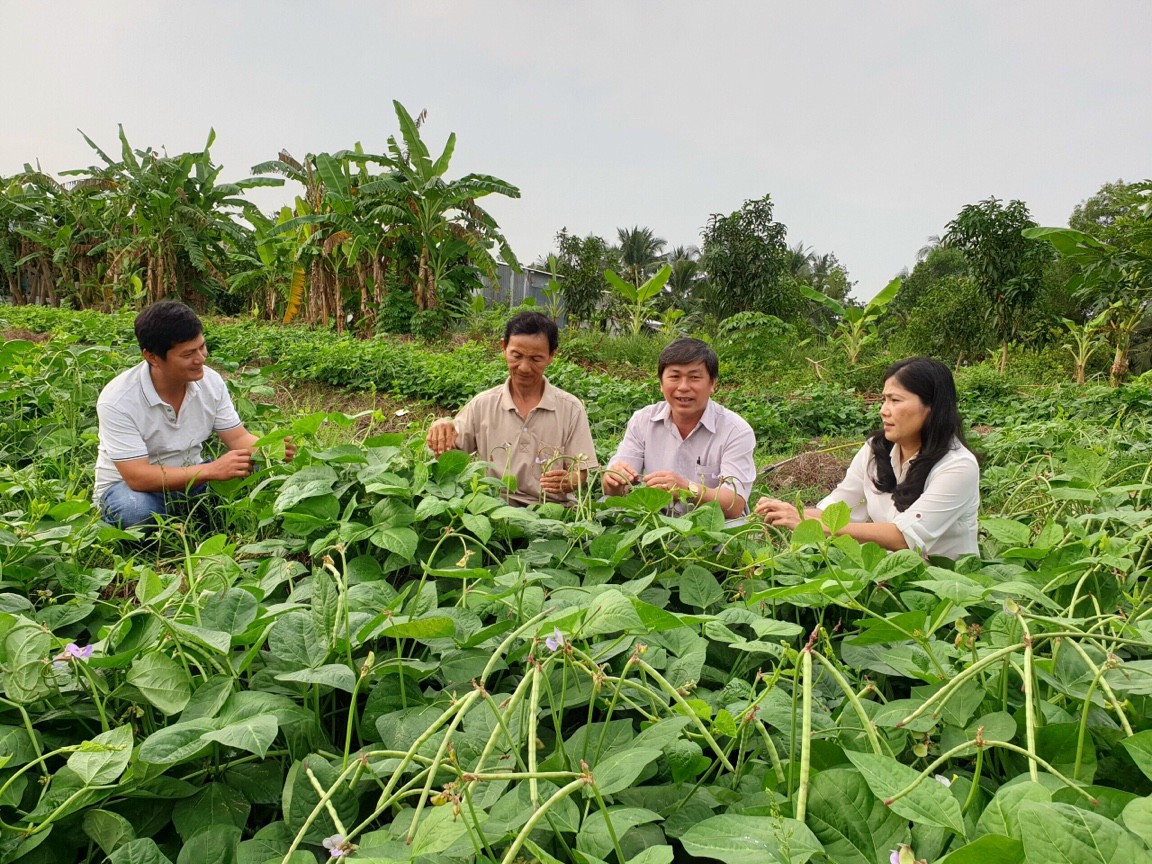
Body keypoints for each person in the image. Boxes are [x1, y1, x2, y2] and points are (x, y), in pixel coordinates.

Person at [94, 301, 295, 528]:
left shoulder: (210, 382)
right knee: (136, 513)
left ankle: (186, 516)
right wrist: (211, 470)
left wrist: (272, 449)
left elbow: (238, 439)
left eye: (202, 347)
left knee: (258, 468)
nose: (201, 358)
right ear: (152, 357)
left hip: (195, 479)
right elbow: (137, 477)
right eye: (188, 353)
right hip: (134, 490)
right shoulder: (118, 400)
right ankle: (188, 517)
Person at [756, 357, 979, 558]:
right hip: (888, 577)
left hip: (945, 586)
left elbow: (904, 538)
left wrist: (806, 522)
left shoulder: (958, 466)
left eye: (895, 400)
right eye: (884, 399)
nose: (883, 410)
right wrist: (788, 512)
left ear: (931, 408)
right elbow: (839, 509)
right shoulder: (876, 450)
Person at [425, 311, 597, 506]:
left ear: (551, 356)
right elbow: (450, 459)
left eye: (536, 359)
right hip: (495, 508)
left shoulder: (570, 408)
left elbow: (581, 474)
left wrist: (569, 481)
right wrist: (441, 429)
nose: (524, 367)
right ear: (503, 348)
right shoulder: (483, 404)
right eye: (516, 355)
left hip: (551, 512)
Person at [601, 338, 755, 519]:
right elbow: (616, 489)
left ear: (712, 383)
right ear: (661, 383)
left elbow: (734, 504)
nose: (683, 387)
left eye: (694, 378)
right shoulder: (642, 421)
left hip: (712, 530)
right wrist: (614, 482)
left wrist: (686, 488)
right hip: (655, 522)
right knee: (609, 514)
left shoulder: (736, 431)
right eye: (674, 377)